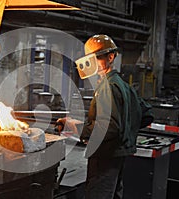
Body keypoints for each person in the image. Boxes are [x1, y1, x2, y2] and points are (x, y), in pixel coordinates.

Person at [57, 34, 142, 199]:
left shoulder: (107, 86)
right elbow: (145, 114)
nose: (92, 63)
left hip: (105, 156)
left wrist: (76, 127)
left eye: (97, 58)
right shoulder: (122, 84)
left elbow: (109, 127)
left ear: (110, 57)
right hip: (117, 155)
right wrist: (125, 132)